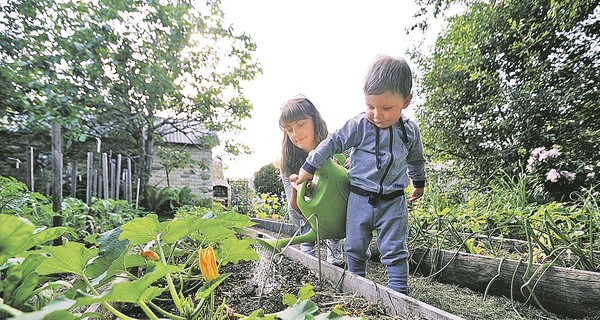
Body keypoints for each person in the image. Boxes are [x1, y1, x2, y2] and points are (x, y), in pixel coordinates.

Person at [292, 55, 426, 294]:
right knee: (354, 246)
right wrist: (310, 166)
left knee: (395, 250)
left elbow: (416, 160)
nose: (377, 114)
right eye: (370, 106)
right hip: (359, 198)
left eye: (386, 108)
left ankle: (399, 295)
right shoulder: (359, 126)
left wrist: (418, 183)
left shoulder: (409, 132)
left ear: (405, 102)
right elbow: (332, 142)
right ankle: (358, 289)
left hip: (394, 201)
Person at [279, 95, 344, 267]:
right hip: (308, 219)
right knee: (305, 222)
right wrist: (297, 190)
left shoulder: (336, 148)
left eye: (300, 125)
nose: (296, 134)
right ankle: (307, 256)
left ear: (314, 121)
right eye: (289, 130)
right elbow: (295, 214)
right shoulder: (288, 162)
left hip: (337, 216)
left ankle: (334, 250)